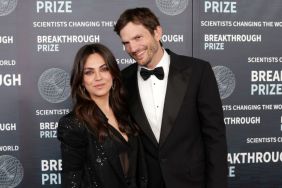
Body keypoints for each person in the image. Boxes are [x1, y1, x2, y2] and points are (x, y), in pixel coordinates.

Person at [114, 7, 228, 188]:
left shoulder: (198, 71)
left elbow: (215, 137)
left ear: (157, 32)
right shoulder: (122, 80)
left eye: (138, 37)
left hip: (192, 182)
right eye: (126, 42)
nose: (133, 48)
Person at [57, 43, 147, 188]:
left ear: (113, 74)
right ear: (81, 80)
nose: (98, 77)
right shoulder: (74, 123)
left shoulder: (127, 112)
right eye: (89, 72)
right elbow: (71, 180)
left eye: (104, 69)